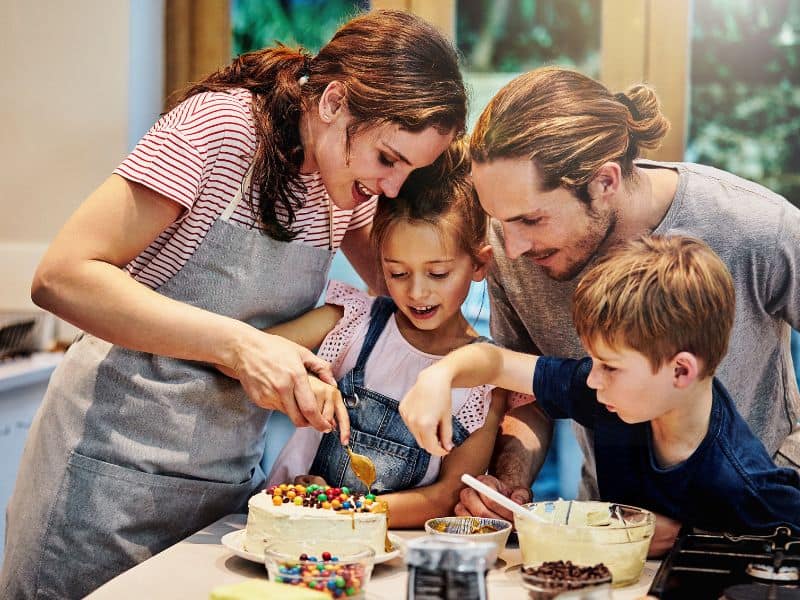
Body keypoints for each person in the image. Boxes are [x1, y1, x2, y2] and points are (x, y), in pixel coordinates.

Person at [1, 10, 467, 599]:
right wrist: (243, 346)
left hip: (226, 488)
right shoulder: (219, 129)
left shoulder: (346, 184)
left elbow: (411, 291)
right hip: (106, 477)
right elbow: (61, 277)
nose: (393, 188)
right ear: (333, 102)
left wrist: (497, 379)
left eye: (411, 170)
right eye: (388, 159)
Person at [402, 66, 800, 554]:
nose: (512, 246)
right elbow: (525, 390)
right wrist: (510, 483)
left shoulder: (759, 228)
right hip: (612, 533)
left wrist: (779, 473)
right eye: (498, 221)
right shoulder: (513, 248)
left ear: (604, 181)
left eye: (531, 219)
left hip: (753, 541)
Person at [402, 235, 800, 535]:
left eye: (609, 367)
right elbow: (497, 363)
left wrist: (688, 536)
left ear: (681, 372)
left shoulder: (744, 484)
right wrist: (440, 375)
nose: (592, 379)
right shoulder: (611, 395)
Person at [264, 141, 506, 527]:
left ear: (480, 264)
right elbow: (253, 352)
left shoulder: (486, 382)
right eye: (397, 272)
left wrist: (336, 510)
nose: (417, 292)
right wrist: (303, 375)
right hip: (282, 530)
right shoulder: (353, 319)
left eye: (438, 273)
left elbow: (446, 497)